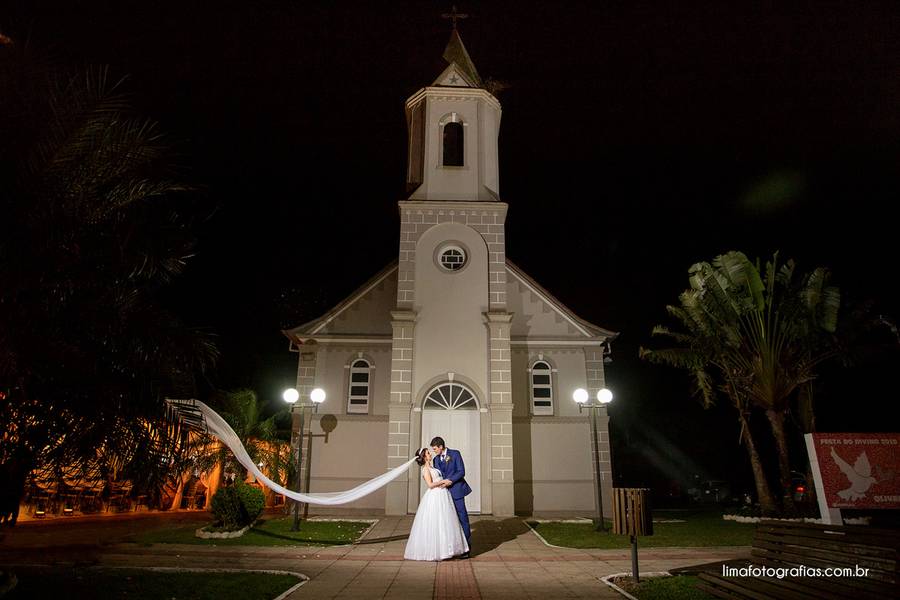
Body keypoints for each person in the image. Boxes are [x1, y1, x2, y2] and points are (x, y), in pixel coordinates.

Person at [403, 448, 470, 561]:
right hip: (435, 496)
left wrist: (446, 481)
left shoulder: (434, 466)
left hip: (443, 495)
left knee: (446, 522)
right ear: (424, 457)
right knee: (436, 521)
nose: (431, 454)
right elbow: (430, 484)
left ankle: (448, 549)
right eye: (428, 453)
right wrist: (445, 481)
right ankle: (436, 550)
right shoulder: (425, 469)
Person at [430, 436, 472, 558]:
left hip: (457, 491)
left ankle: (467, 549)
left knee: (462, 518)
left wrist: (450, 480)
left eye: (435, 449)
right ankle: (453, 548)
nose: (434, 451)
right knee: (449, 521)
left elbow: (461, 471)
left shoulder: (455, 454)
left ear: (441, 447)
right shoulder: (436, 459)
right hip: (444, 494)